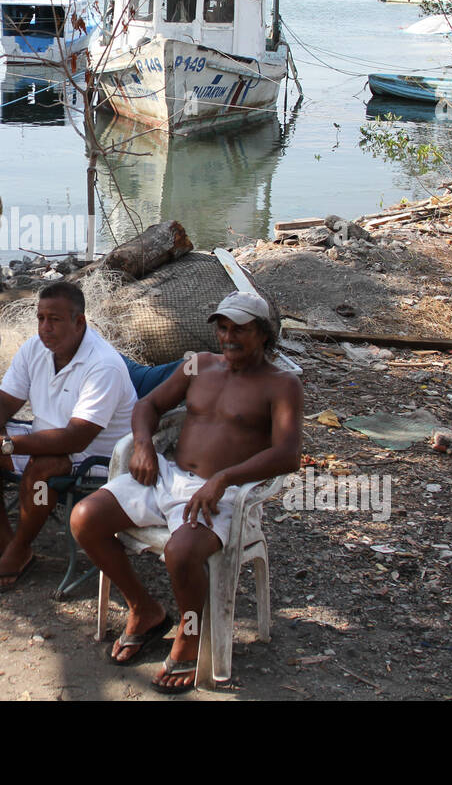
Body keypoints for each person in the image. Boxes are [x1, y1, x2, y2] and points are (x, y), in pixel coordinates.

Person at [70, 291, 303, 694]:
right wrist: (143, 445)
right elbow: (148, 406)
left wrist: (225, 479)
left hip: (223, 493)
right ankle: (144, 609)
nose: (228, 338)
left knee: (181, 551)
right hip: (167, 475)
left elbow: (288, 455)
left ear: (264, 334)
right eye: (223, 328)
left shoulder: (282, 384)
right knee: (85, 518)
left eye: (241, 330)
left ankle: (190, 634)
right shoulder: (198, 363)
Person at [0, 281, 135, 593]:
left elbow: (76, 439)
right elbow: (5, 401)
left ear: (79, 322)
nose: (45, 328)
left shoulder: (103, 366)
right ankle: (0, 536)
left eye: (55, 320)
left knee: (44, 467)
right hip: (46, 439)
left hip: (99, 460)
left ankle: (21, 547)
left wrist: (7, 444)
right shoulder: (35, 348)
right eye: (41, 318)